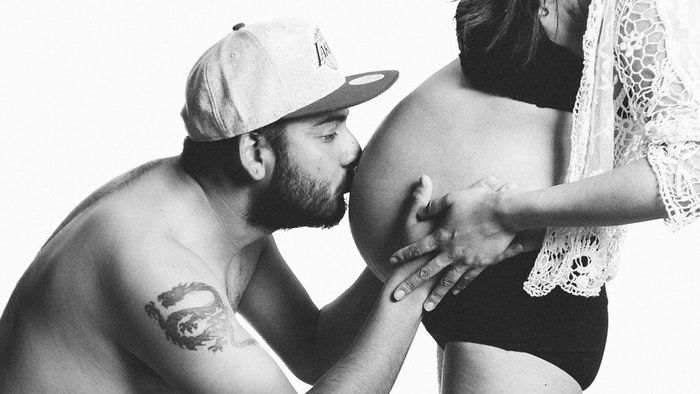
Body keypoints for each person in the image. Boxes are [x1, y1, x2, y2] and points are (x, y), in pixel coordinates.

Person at [0, 18, 439, 393]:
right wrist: (418, 275)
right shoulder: (151, 261)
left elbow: (314, 351)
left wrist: (400, 250)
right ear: (254, 153)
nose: (354, 151)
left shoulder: (223, 217)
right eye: (327, 134)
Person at [353, 0, 699, 391]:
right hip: (461, 270)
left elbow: (692, 166)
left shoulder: (639, 6)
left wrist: (502, 214)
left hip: (518, 286)